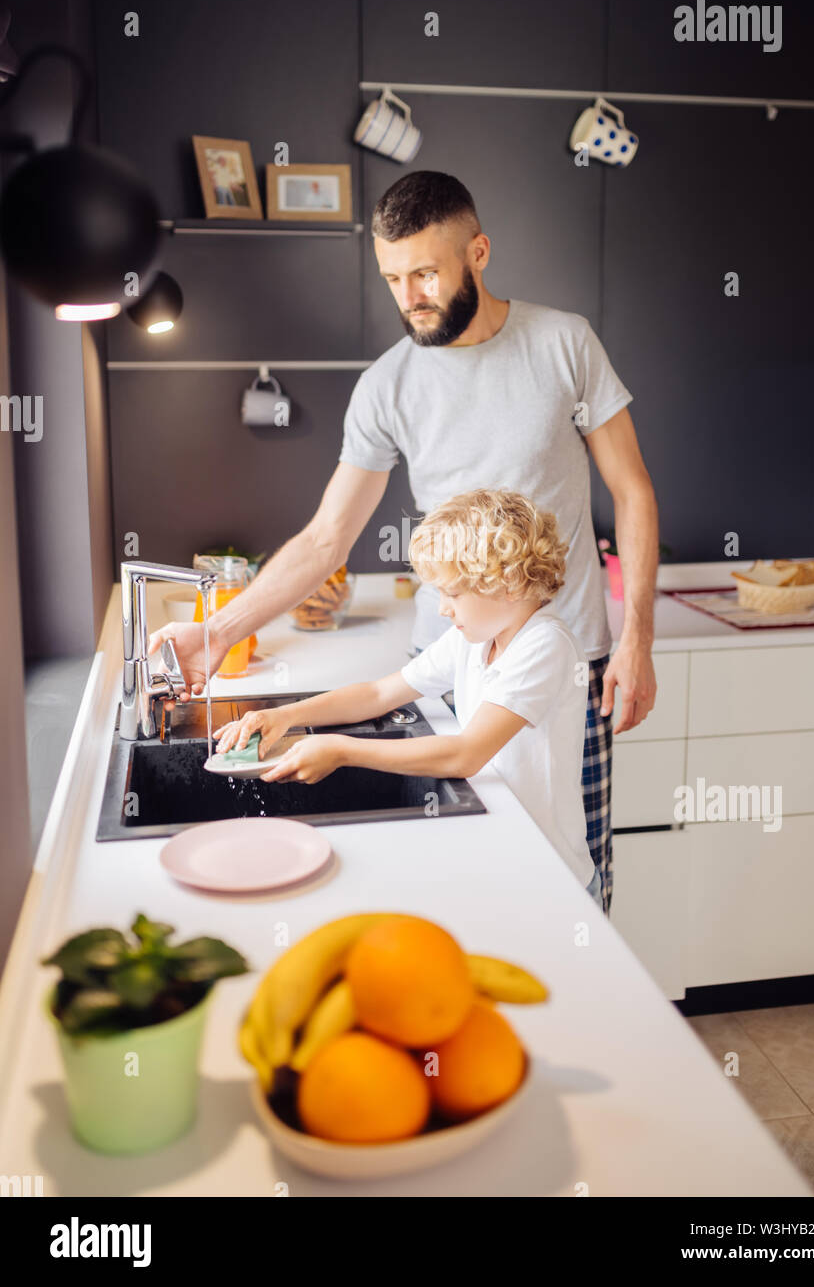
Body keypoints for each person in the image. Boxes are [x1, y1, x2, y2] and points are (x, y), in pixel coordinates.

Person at [149, 171, 659, 912]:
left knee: (571, 866)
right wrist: (215, 633)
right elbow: (328, 537)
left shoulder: (562, 343)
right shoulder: (387, 386)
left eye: (426, 271)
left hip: (568, 652)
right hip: (446, 655)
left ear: (477, 253)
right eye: (393, 276)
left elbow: (633, 488)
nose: (409, 295)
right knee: (456, 866)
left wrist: (638, 633)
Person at [213, 490, 603, 905]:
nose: (443, 610)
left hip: (550, 880)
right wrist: (287, 716)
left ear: (507, 584)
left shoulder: (544, 645)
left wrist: (342, 750)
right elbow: (379, 693)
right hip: (504, 855)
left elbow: (466, 754)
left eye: (452, 594)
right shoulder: (474, 639)